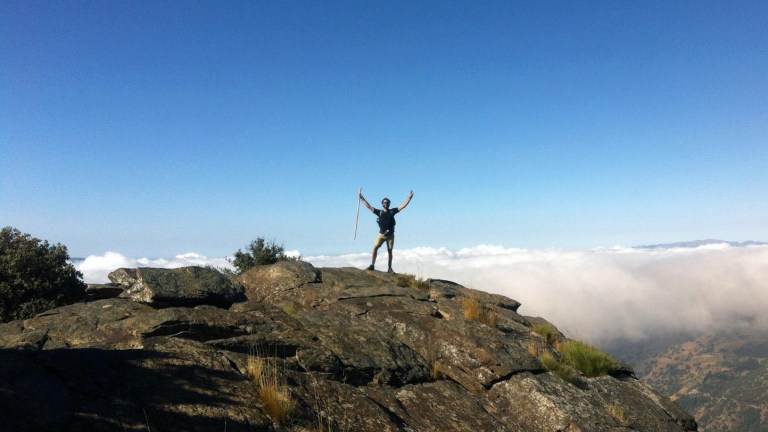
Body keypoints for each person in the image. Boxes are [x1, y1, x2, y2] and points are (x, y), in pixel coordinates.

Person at [359, 190, 414, 273]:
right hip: (381, 234)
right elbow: (369, 206)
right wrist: (362, 198)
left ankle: (389, 268)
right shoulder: (379, 212)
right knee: (375, 248)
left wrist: (409, 197)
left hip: (390, 235)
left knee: (390, 251)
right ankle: (372, 265)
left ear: (389, 204)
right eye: (384, 202)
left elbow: (403, 206)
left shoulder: (392, 211)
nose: (386, 204)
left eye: (387, 202)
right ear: (382, 204)